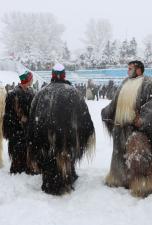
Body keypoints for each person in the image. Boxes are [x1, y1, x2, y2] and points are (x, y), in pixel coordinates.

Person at [101, 60, 152, 197]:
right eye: (128, 68)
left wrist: (143, 119)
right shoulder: (124, 84)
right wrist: (106, 113)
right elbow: (114, 105)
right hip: (121, 130)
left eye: (130, 68)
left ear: (139, 70)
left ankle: (143, 184)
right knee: (120, 156)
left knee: (139, 157)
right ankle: (120, 178)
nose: (128, 71)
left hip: (139, 131)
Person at [28, 63, 95, 195]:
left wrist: (35, 140)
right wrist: (83, 134)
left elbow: (32, 120)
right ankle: (66, 176)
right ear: (64, 75)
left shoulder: (41, 93)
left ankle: (49, 180)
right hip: (67, 139)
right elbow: (84, 119)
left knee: (49, 157)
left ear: (52, 75)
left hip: (45, 139)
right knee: (65, 157)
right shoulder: (73, 92)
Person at [3, 70, 35, 174]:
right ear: (27, 80)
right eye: (31, 78)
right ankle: (17, 168)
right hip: (16, 130)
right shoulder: (13, 94)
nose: (32, 80)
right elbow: (8, 115)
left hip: (28, 129)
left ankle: (27, 166)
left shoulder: (31, 92)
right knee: (17, 151)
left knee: (27, 150)